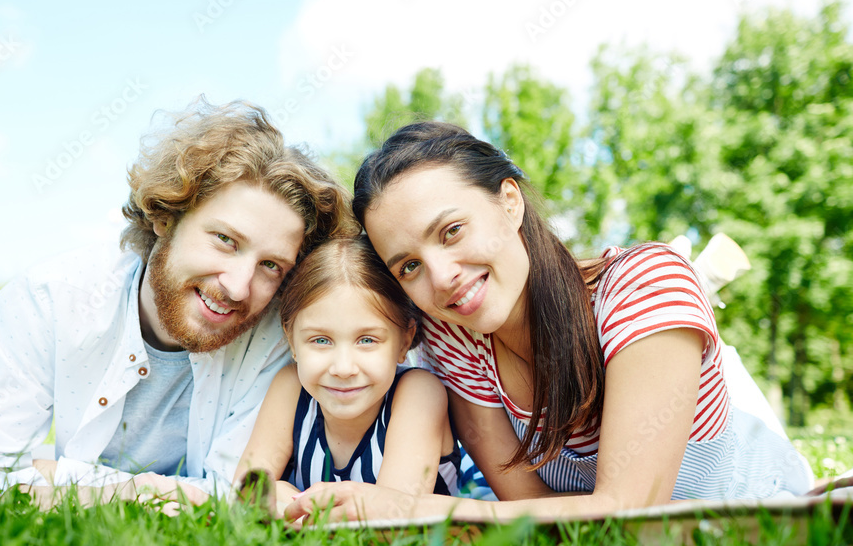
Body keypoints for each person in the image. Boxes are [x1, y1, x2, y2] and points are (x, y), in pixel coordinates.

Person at [285, 122, 814, 524]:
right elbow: (532, 513)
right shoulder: (456, 338)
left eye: (451, 232)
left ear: (509, 202)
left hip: (761, 523)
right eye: (409, 266)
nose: (442, 278)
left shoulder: (645, 284)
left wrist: (409, 508)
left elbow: (628, 513)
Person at [0, 99, 352, 507]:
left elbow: (237, 498)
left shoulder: (278, 339)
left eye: (271, 265)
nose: (239, 287)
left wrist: (60, 478)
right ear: (166, 216)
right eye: (225, 240)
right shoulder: (51, 299)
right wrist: (149, 492)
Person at [234, 237, 461, 516]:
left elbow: (392, 517)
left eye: (367, 340)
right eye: (320, 340)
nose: (343, 368)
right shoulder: (291, 387)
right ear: (291, 340)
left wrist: (290, 504)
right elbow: (247, 493)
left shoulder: (418, 393)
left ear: (404, 341)